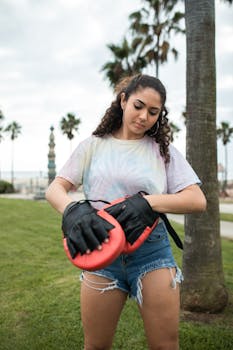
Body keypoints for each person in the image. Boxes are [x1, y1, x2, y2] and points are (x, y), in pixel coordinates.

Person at [46, 74, 206, 350]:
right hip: (101, 252)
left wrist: (149, 203)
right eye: (138, 106)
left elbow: (196, 200)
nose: (144, 116)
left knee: (165, 346)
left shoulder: (163, 151)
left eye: (153, 112)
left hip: (152, 253)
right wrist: (71, 210)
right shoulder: (93, 146)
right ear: (123, 101)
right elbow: (55, 188)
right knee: (95, 346)